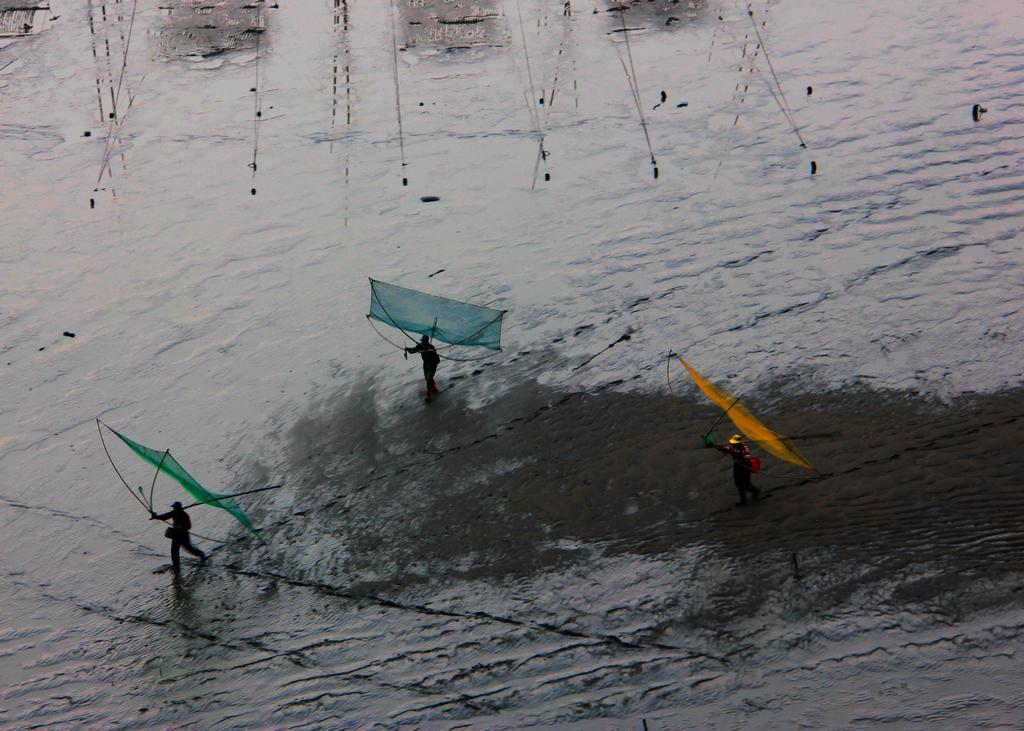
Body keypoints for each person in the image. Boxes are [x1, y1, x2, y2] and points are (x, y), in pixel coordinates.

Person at [150, 501, 206, 572]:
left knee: (190, 548)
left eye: (174, 507)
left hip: (183, 536)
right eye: (173, 507)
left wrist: (181, 527)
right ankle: (176, 566)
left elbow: (189, 526)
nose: (173, 508)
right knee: (174, 551)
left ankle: (202, 555)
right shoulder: (173, 512)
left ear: (178, 508)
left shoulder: (185, 515)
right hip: (176, 535)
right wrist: (156, 516)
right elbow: (165, 516)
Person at [705, 433, 761, 505]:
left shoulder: (745, 449)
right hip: (737, 467)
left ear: (738, 443)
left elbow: (747, 459)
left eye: (734, 443)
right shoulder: (732, 446)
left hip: (745, 467)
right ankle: (743, 501)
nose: (733, 444)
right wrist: (714, 445)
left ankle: (756, 491)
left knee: (747, 484)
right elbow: (725, 449)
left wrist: (740, 461)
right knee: (738, 484)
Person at [405, 334, 440, 400]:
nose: (422, 342)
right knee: (428, 379)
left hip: (432, 365)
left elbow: (435, 358)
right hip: (425, 365)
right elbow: (413, 350)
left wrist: (428, 350)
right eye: (422, 341)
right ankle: (435, 388)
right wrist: (407, 349)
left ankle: (429, 394)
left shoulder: (432, 347)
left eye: (423, 341)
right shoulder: (419, 346)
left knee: (429, 379)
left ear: (427, 341)